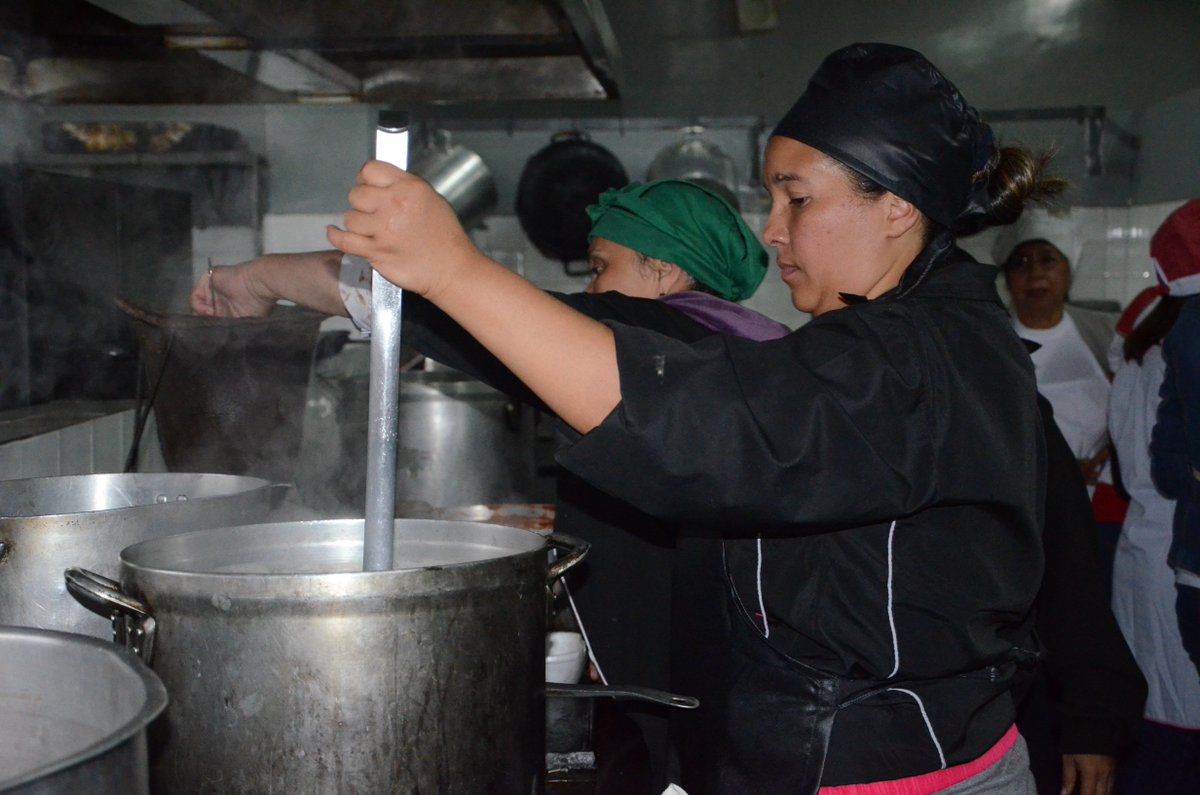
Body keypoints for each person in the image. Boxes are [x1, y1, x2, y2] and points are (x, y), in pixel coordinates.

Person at [327, 42, 1065, 793]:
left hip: (886, 774)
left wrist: (454, 269)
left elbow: (697, 424)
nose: (773, 229)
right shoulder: (938, 329)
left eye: (797, 198)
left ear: (898, 204)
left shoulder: (909, 356)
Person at [193, 178, 789, 792]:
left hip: (669, 689)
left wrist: (255, 279)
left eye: (602, 267)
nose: (590, 288)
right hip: (766, 691)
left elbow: (404, 301)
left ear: (664, 272)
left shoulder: (627, 339)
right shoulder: (770, 354)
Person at [1108, 198, 1200, 794]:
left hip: (1158, 548)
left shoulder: (1150, 337)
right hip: (1170, 550)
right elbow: (1157, 469)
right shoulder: (1169, 347)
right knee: (1172, 732)